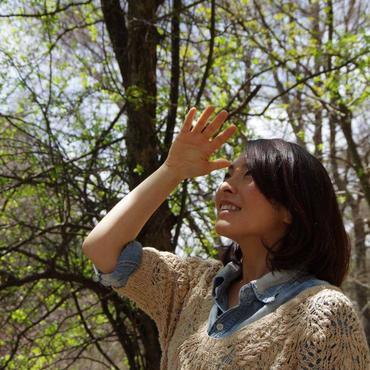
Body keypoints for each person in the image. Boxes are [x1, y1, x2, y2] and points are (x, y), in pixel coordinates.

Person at [82, 106, 370, 369]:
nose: (225, 187)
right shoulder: (190, 287)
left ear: (290, 209)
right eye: (228, 175)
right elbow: (103, 249)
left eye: (249, 176)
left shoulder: (323, 312)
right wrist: (171, 171)